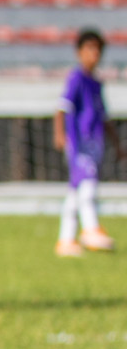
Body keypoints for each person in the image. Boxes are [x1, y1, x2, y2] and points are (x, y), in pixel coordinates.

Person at [54, 29, 118, 256]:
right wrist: (60, 134)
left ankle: (65, 241)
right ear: (79, 52)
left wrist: (118, 144)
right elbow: (62, 108)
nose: (94, 54)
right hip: (78, 141)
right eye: (89, 48)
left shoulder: (96, 83)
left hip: (94, 142)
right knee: (88, 185)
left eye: (98, 49)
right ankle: (90, 228)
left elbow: (104, 117)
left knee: (75, 192)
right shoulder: (76, 78)